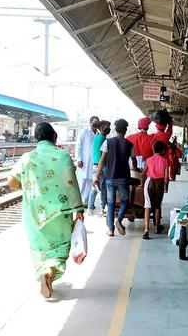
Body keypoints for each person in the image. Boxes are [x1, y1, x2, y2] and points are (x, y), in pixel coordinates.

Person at [8, 122, 84, 299]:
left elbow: (11, 181)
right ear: (54, 137)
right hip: (61, 211)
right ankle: (51, 270)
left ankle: (44, 269)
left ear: (36, 138)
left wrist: (27, 187)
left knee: (39, 246)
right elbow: (71, 183)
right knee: (59, 247)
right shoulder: (63, 156)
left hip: (35, 212)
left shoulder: (27, 158)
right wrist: (79, 210)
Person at [94, 118, 138, 237]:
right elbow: (134, 161)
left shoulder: (108, 142)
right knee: (124, 201)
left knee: (111, 203)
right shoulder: (129, 144)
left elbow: (102, 160)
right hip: (123, 177)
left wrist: (96, 176)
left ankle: (111, 230)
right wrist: (136, 168)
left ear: (115, 129)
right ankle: (119, 219)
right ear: (125, 130)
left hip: (109, 177)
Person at [141, 140, 170, 240]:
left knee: (148, 206)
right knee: (158, 206)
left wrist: (141, 184)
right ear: (162, 150)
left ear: (153, 149)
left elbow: (143, 174)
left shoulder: (149, 160)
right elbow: (167, 177)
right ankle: (157, 227)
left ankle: (146, 230)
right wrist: (166, 186)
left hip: (150, 182)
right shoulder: (165, 160)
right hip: (160, 183)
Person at [75, 115, 99, 208]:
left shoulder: (98, 133)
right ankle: (77, 201)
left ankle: (85, 202)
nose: (96, 124)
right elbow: (78, 146)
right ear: (90, 122)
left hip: (93, 162)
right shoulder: (84, 131)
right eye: (94, 122)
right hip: (84, 161)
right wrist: (79, 159)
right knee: (81, 181)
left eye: (97, 122)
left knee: (90, 182)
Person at [90, 119, 111, 214]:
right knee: (103, 188)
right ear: (102, 128)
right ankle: (103, 208)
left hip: (95, 165)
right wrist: (103, 168)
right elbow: (102, 157)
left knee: (95, 187)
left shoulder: (97, 137)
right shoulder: (103, 139)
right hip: (100, 167)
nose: (109, 129)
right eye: (108, 127)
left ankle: (90, 206)